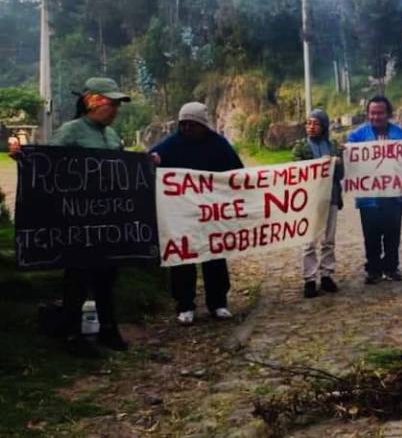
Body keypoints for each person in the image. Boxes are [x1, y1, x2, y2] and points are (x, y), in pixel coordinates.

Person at [10, 77, 131, 356]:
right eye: (110, 104)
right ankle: (72, 334)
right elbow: (47, 163)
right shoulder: (72, 131)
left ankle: (108, 330)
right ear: (92, 102)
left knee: (107, 275)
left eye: (116, 106)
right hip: (77, 221)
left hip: (107, 219)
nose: (114, 110)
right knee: (78, 276)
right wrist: (22, 156)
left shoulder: (112, 136)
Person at [150, 102, 243, 324]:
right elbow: (154, 158)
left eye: (192, 125)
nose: (187, 129)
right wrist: (153, 160)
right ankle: (184, 305)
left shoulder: (218, 144)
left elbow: (237, 173)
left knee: (214, 258)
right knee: (182, 260)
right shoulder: (172, 144)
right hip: (183, 215)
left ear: (203, 125)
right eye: (183, 125)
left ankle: (218, 303)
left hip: (212, 214)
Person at [347, 96, 402, 284]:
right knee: (371, 234)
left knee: (392, 233)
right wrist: (347, 150)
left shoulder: (400, 135)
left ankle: (391, 267)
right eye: (372, 113)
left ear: (387, 114)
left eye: (380, 113)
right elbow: (351, 160)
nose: (376, 116)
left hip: (393, 194)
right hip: (369, 196)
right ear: (368, 114)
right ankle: (373, 269)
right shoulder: (357, 136)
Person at [292, 109, 343, 298]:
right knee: (309, 240)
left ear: (324, 127)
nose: (311, 127)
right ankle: (310, 279)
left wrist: (337, 163)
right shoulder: (300, 148)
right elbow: (297, 172)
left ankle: (327, 275)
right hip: (309, 200)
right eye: (308, 123)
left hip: (331, 197)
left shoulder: (333, 146)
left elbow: (341, 175)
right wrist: (318, 164)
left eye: (316, 124)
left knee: (329, 239)